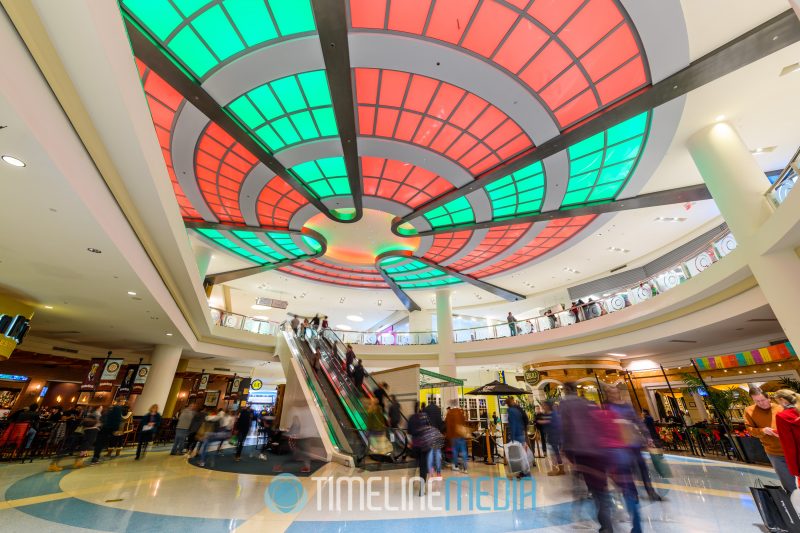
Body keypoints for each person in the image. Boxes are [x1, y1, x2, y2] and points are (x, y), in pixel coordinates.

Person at [745, 388, 793, 491]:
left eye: (763, 400)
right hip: (775, 453)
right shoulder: (749, 411)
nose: (761, 403)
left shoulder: (781, 407)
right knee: (789, 484)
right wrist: (763, 431)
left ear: (769, 398)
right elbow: (750, 430)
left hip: (793, 450)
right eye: (757, 401)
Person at [445, 399, 468, 472]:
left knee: (455, 451)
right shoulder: (461, 412)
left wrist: (448, 435)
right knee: (464, 451)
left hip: (454, 435)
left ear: (451, 405)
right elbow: (464, 423)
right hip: (461, 434)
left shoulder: (449, 413)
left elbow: (447, 424)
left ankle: (456, 466)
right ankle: (465, 468)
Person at [423, 401, 444, 478]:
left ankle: (431, 471)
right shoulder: (438, 409)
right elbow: (440, 422)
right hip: (437, 433)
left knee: (430, 453)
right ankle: (438, 472)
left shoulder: (426, 409)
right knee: (438, 452)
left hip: (428, 434)